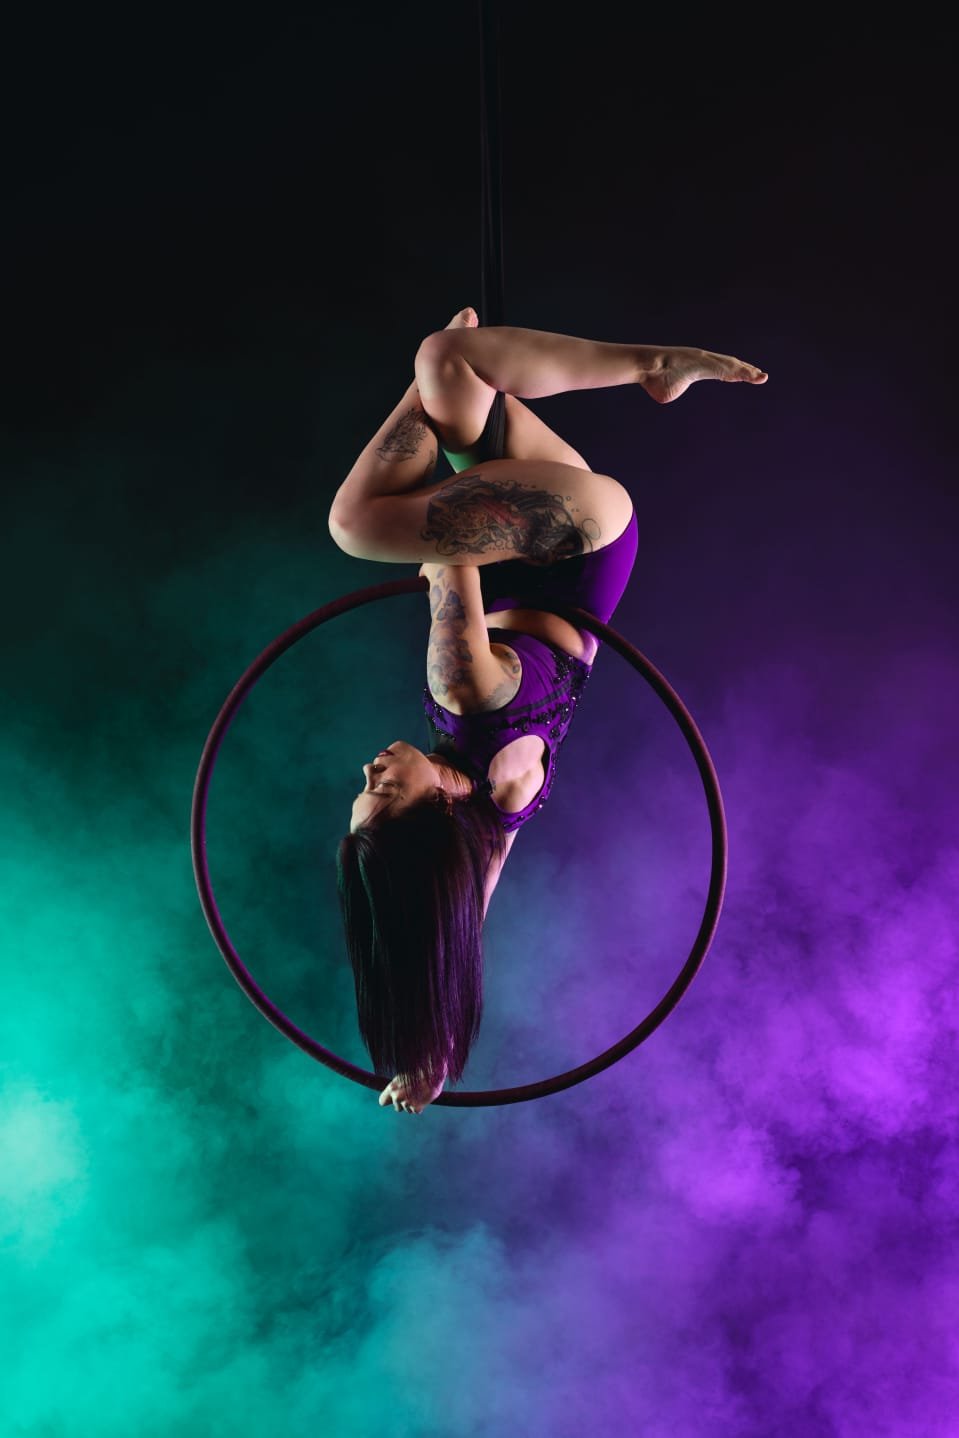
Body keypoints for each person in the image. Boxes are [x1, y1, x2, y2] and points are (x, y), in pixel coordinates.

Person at [329, 308, 766, 1113]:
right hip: (568, 540)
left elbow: (462, 914)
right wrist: (430, 557)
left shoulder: (491, 817)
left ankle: (463, 377)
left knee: (452, 379)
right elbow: (445, 559)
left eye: (365, 784)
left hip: (586, 555)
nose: (371, 768)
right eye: (383, 789)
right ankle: (651, 359)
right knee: (356, 522)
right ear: (426, 810)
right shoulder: (460, 689)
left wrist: (427, 1061)